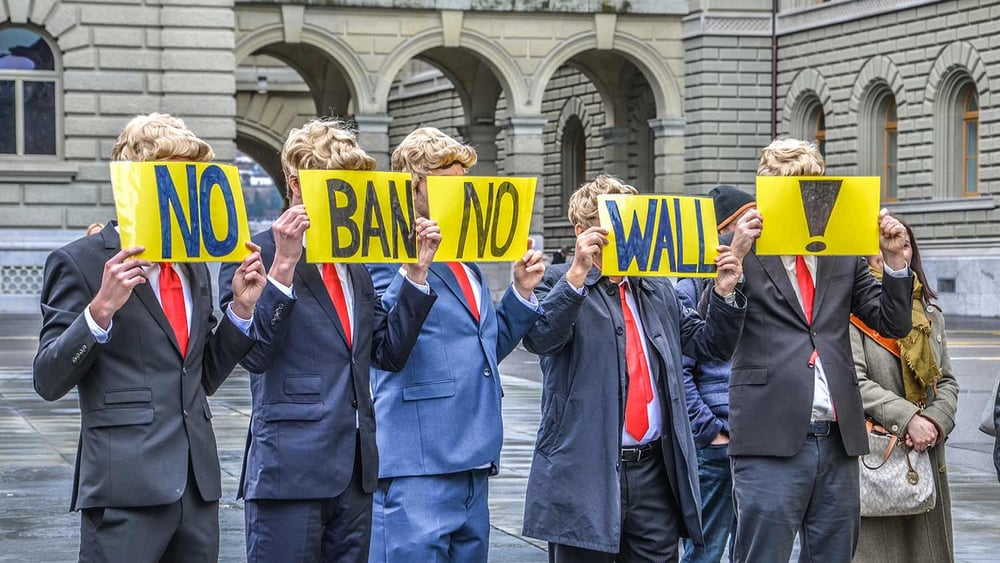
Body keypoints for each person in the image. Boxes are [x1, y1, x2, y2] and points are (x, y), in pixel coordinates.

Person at [33, 113, 267, 562]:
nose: (189, 190)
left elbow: (197, 377)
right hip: (124, 491)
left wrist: (240, 308)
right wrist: (100, 309)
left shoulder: (194, 261)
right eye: (176, 176)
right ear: (137, 180)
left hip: (197, 492)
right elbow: (47, 379)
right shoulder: (79, 262)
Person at [218, 118, 440, 562]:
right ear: (295, 183)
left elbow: (387, 352)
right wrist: (282, 266)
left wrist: (416, 273)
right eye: (334, 183)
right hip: (289, 472)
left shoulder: (353, 261)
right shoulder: (251, 252)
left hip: (356, 473)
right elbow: (255, 354)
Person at [521, 175, 762, 562]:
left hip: (653, 471)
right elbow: (541, 339)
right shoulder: (558, 281)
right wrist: (579, 274)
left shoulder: (654, 288)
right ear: (583, 232)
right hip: (587, 471)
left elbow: (709, 345)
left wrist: (724, 292)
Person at [728, 138, 914, 563]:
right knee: (762, 555)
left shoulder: (841, 252)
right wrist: (734, 262)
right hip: (768, 437)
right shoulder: (744, 248)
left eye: (810, 189)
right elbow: (713, 337)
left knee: (834, 555)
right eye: (788, 191)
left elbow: (893, 323)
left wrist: (894, 264)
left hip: (837, 438)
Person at [366, 127, 545, 563]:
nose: (463, 184)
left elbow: (484, 350)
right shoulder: (384, 248)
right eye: (451, 174)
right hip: (416, 462)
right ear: (417, 184)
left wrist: (520, 293)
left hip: (472, 458)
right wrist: (415, 272)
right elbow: (385, 343)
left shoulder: (468, 260)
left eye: (465, 173)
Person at [850, 220, 959, 563]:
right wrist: (908, 419)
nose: (891, 255)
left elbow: (946, 382)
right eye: (878, 248)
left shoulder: (930, 316)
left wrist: (934, 422)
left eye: (904, 247)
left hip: (925, 451)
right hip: (879, 456)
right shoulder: (851, 314)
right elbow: (854, 382)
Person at [679, 184, 756, 563]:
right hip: (718, 440)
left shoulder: (758, 274)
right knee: (704, 550)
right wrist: (710, 432)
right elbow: (681, 367)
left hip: (757, 439)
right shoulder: (690, 282)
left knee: (752, 548)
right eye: (746, 222)